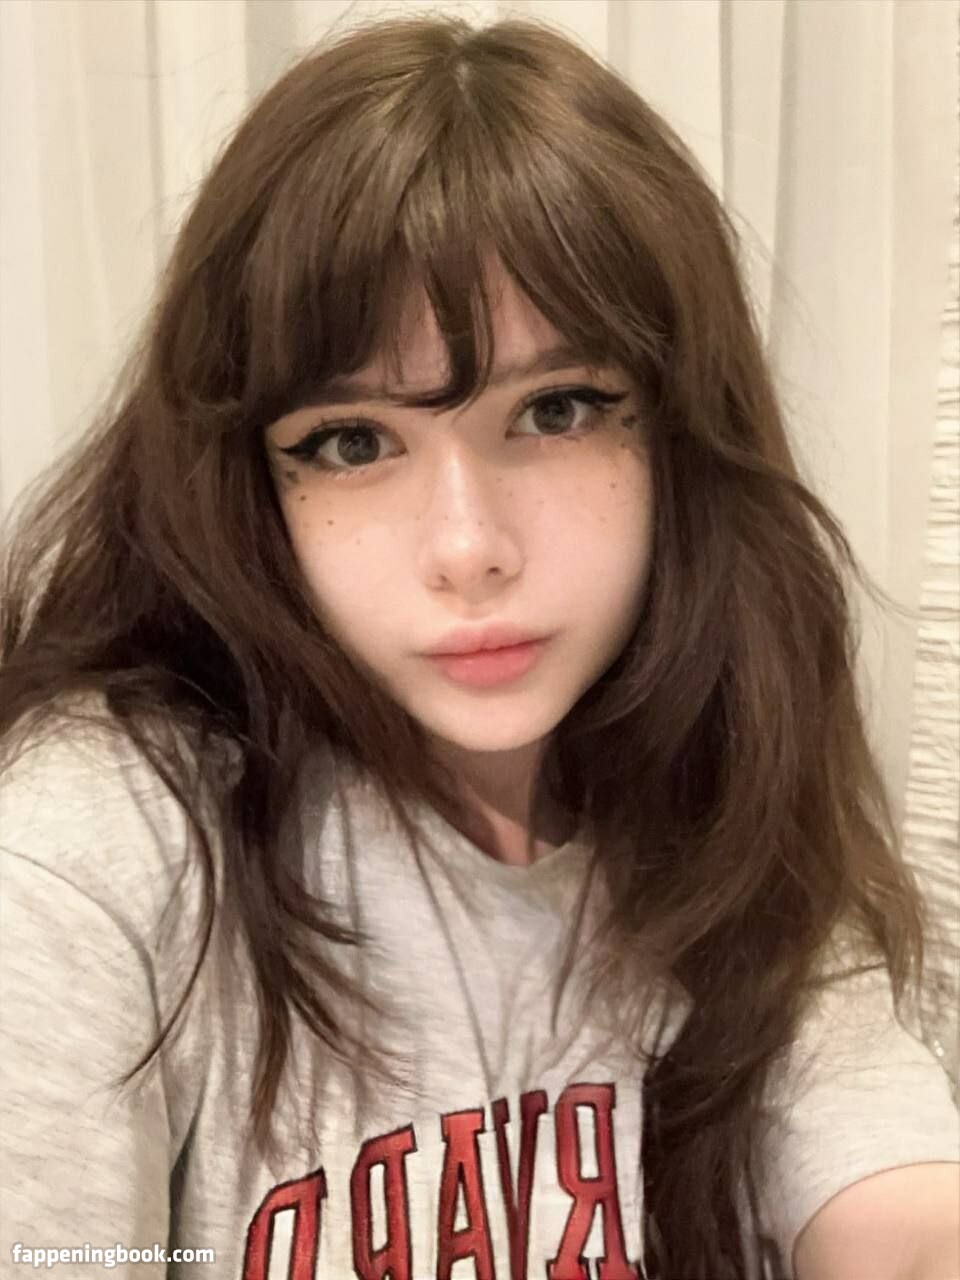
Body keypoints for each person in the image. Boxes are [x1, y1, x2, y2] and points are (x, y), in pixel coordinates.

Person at [0, 13, 956, 1280]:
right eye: (353, 441)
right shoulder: (99, 845)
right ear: (247, 481)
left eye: (557, 410)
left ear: (679, 438)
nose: (468, 547)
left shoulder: (714, 792)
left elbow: (898, 1204)